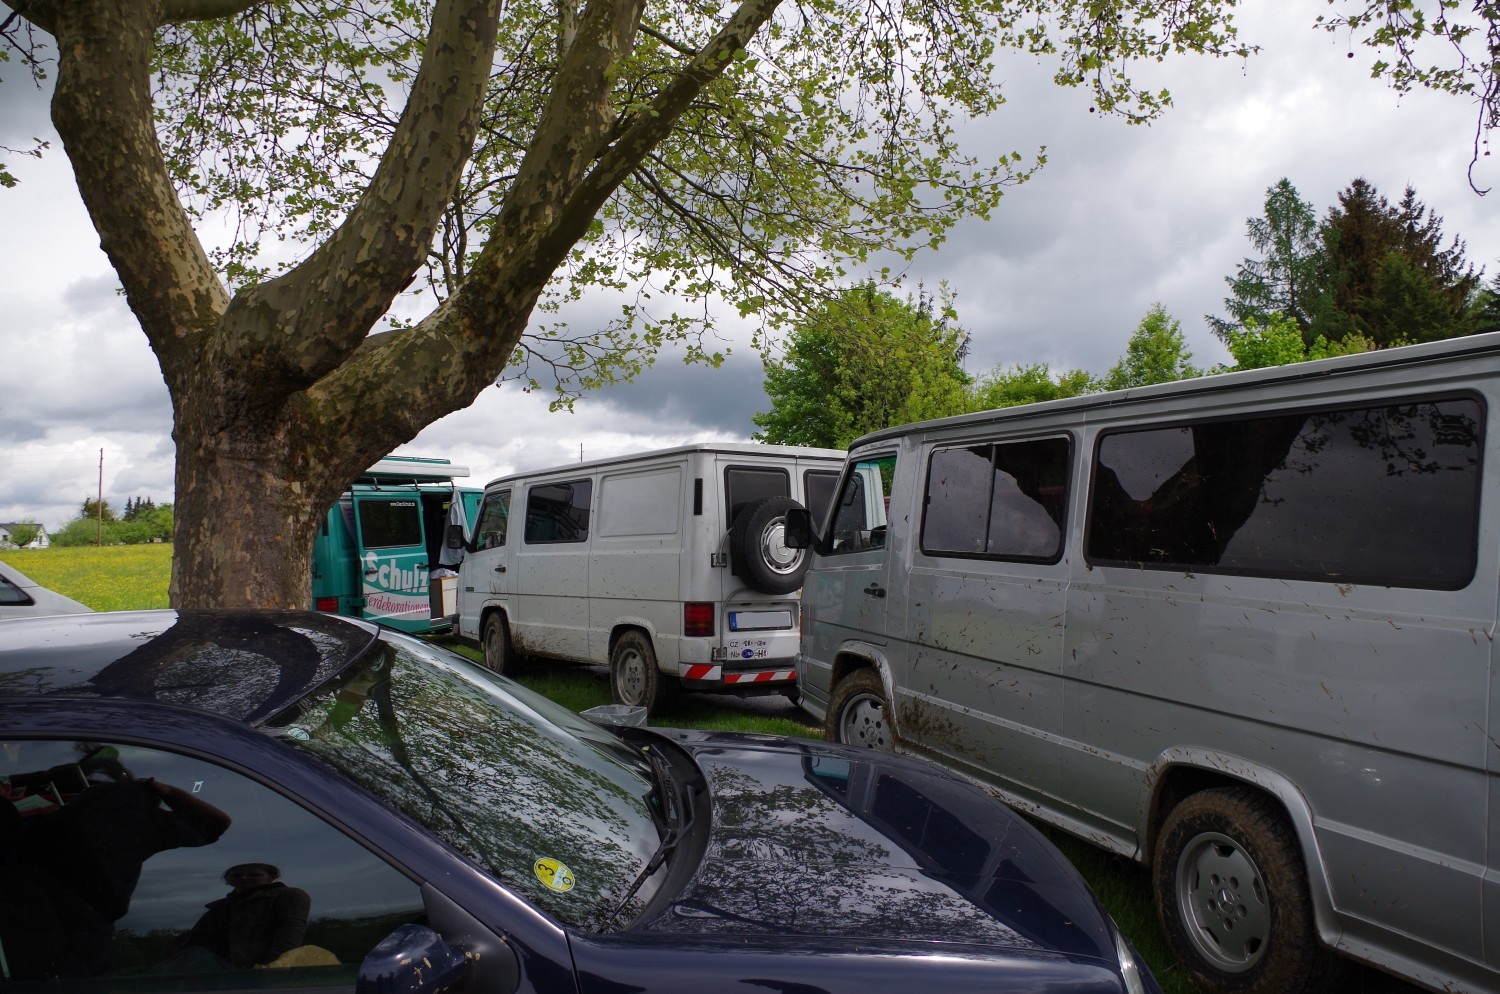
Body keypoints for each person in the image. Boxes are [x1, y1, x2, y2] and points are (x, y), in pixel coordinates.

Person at [177, 863, 311, 969]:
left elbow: (291, 930)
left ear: (271, 877)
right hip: (214, 968)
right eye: (237, 875)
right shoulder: (220, 906)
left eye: (253, 875)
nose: (244, 878)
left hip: (256, 969)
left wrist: (275, 964)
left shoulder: (288, 895)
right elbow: (198, 938)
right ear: (228, 880)